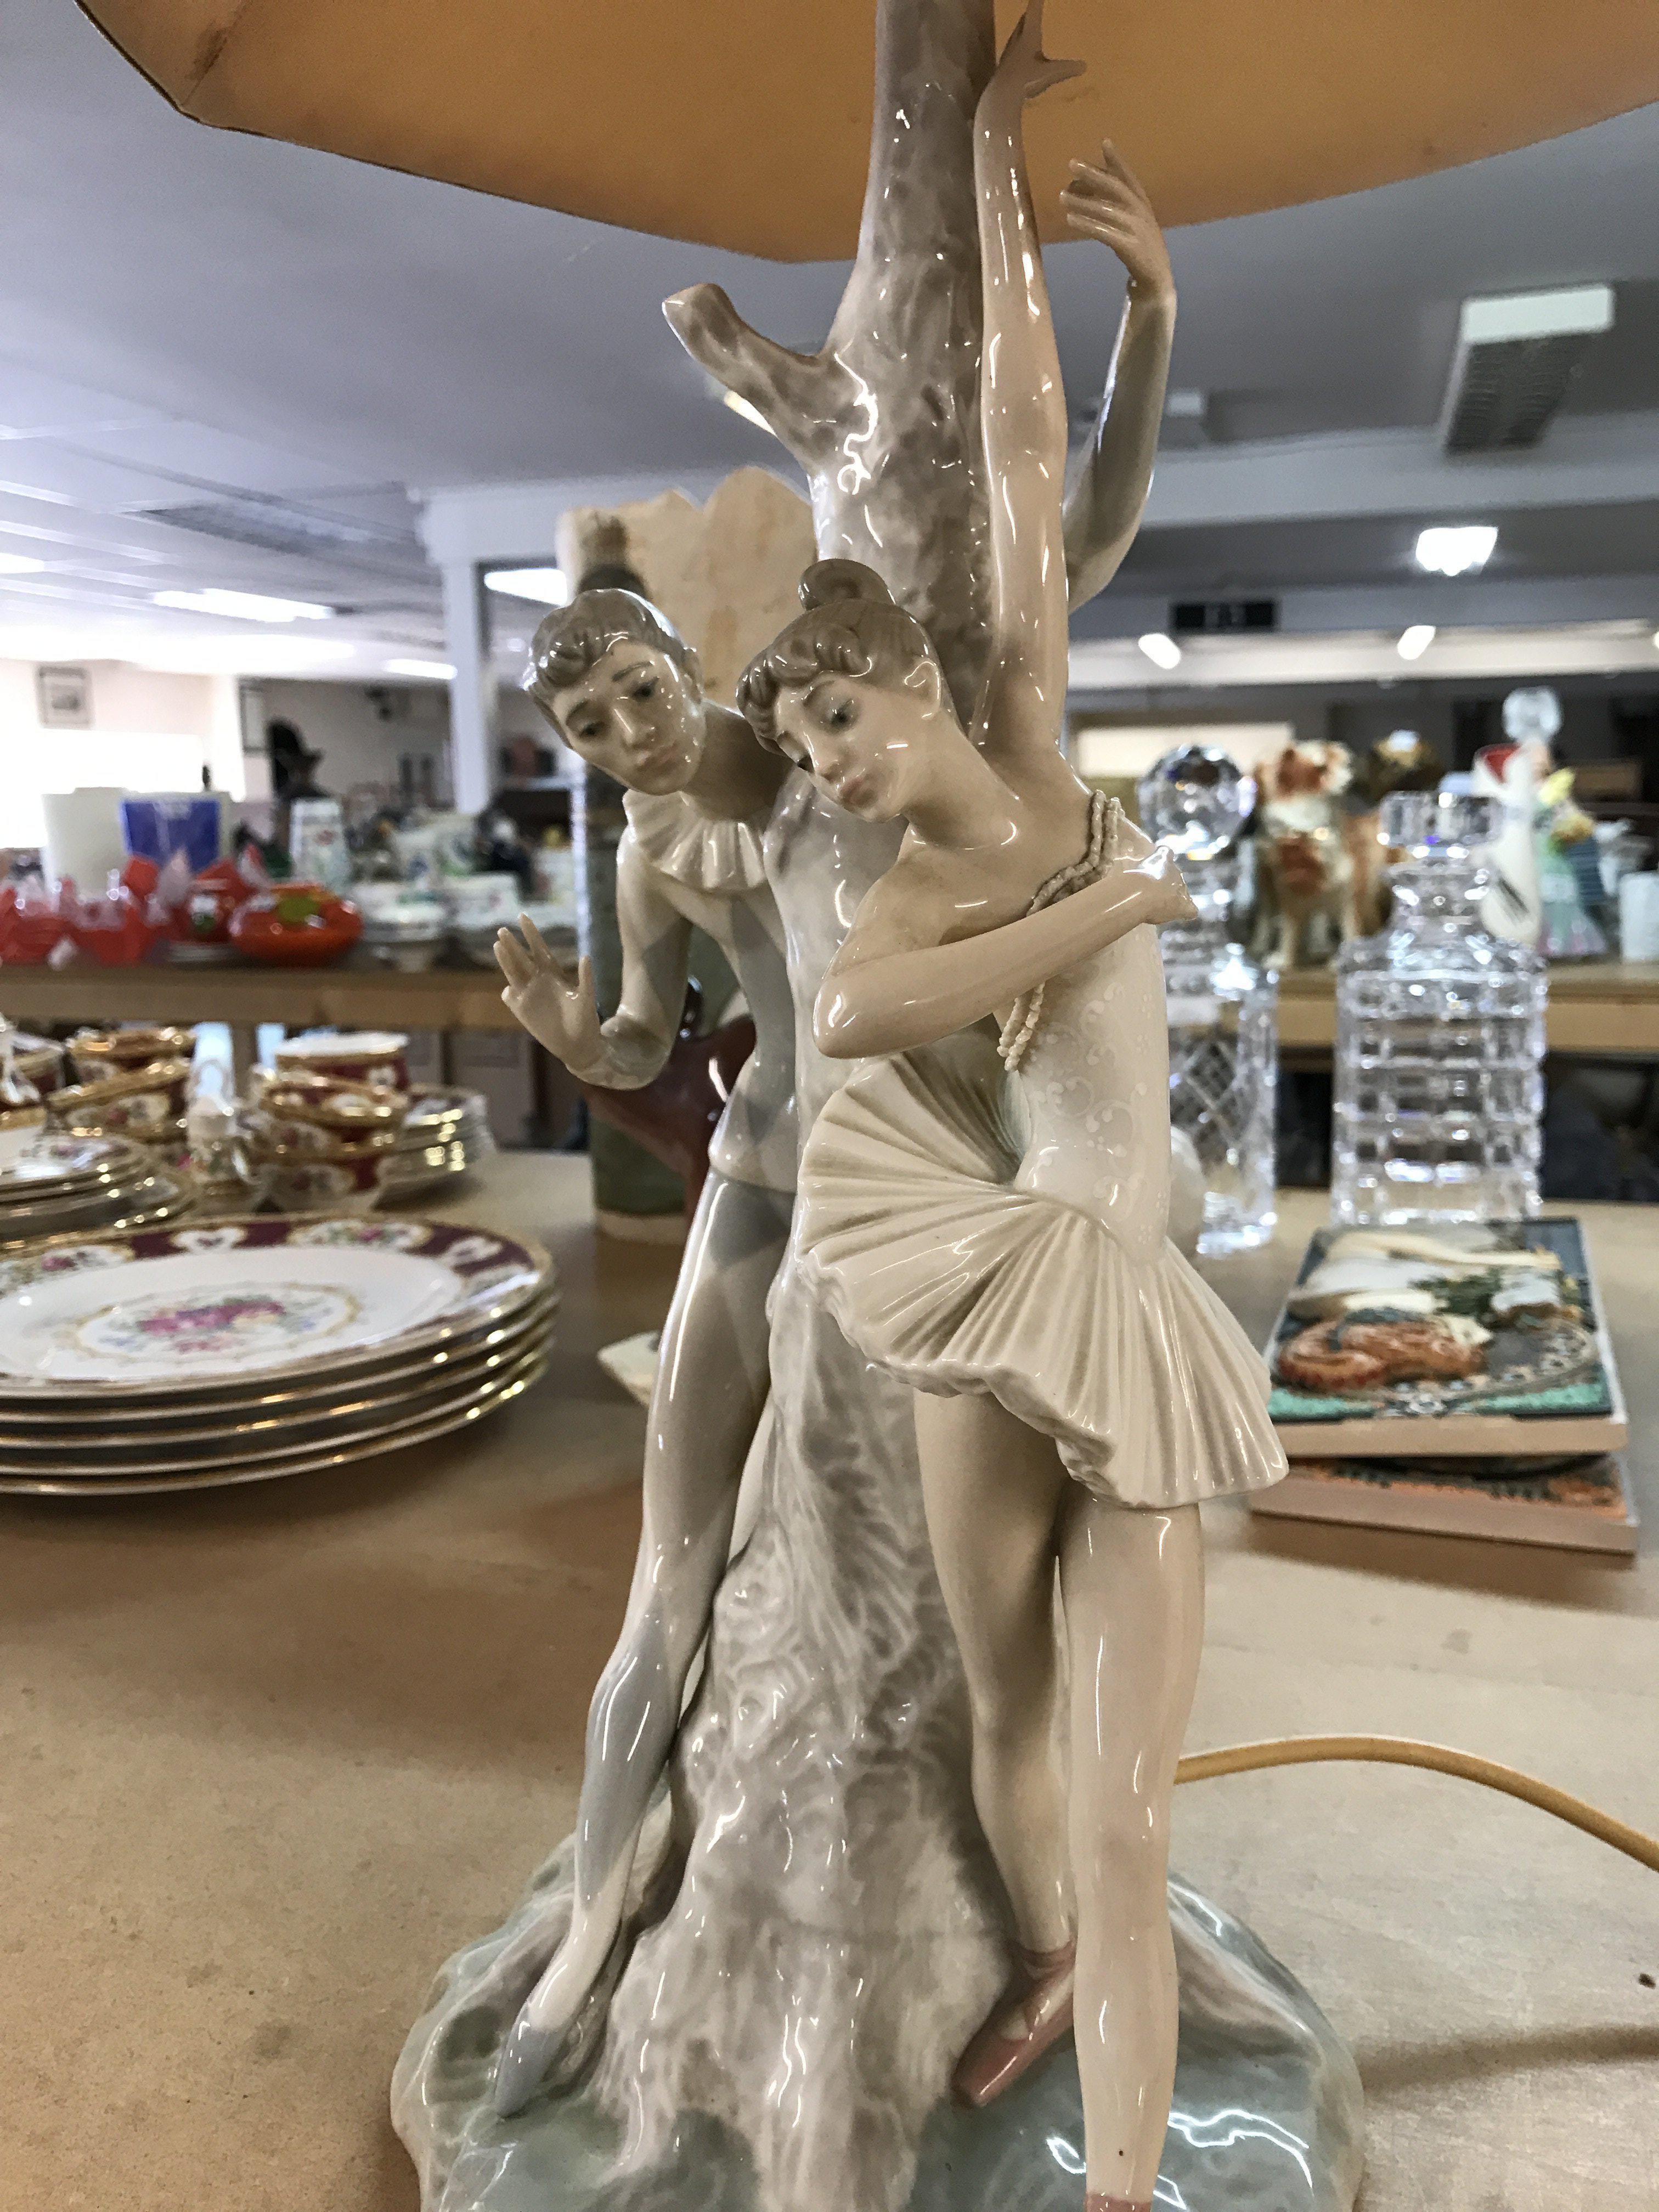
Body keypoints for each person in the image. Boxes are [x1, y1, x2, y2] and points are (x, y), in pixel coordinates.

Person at [735, 13, 1285, 2210]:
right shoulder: (909, 906)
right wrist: (1106, 912)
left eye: (843, 722)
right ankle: (1046, 1952)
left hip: (1119, 1298)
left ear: (919, 679)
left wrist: (1002, 170)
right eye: (808, 754)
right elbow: (862, 1017)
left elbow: (1026, 450)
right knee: (1002, 1703)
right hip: (992, 1285)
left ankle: (1127, 2172)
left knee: (1135, 1800)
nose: (836, 768)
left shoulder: (1038, 743)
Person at [489, 585, 795, 2113]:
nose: (626, 733)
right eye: (587, 725)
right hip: (763, 1168)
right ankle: (591, 1930)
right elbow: (641, 1038)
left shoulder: (828, 763)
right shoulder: (651, 847)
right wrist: (570, 1034)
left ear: (688, 666)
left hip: (904, 1184)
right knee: (668, 1564)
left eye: (638, 690)